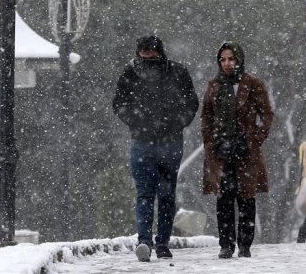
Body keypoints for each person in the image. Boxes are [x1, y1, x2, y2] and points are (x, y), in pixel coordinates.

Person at [112, 35, 199, 262]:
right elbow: (119, 104)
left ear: (159, 51)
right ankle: (145, 241)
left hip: (168, 142)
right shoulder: (130, 73)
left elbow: (191, 103)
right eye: (144, 51)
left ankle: (161, 242)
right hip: (143, 142)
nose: (148, 56)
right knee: (146, 194)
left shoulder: (178, 72)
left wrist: (175, 123)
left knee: (165, 195)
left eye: (151, 51)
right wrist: (138, 121)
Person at [201, 42, 274, 259]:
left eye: (231, 58)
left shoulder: (252, 83)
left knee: (246, 198)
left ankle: (245, 245)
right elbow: (207, 116)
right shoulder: (214, 85)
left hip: (246, 151)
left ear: (239, 59)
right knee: (223, 199)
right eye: (223, 59)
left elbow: (267, 114)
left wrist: (255, 138)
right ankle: (226, 245)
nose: (227, 63)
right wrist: (210, 142)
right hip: (220, 151)